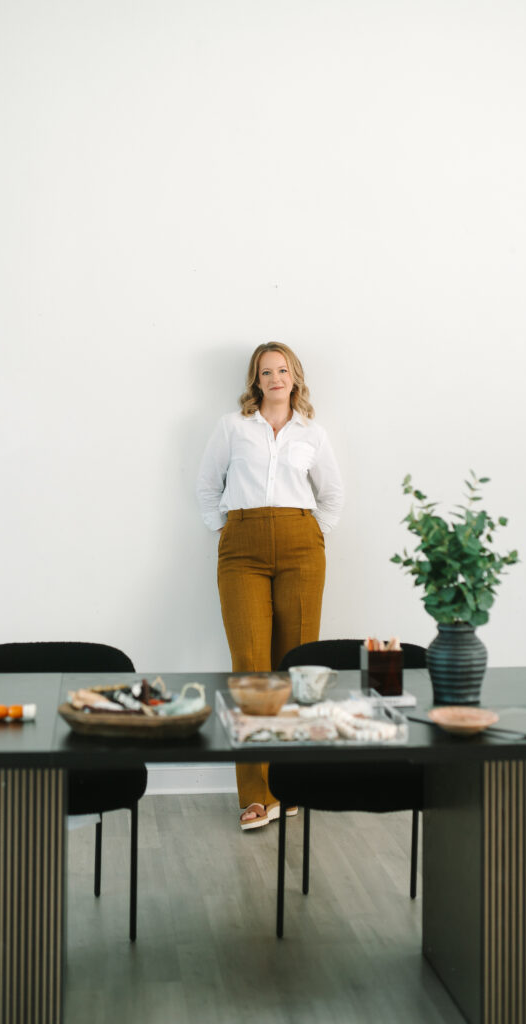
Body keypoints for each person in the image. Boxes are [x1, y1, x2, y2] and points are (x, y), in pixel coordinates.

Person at [197, 342, 344, 830]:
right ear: (255, 381)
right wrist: (226, 528)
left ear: (295, 377)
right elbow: (206, 486)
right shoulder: (232, 427)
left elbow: (332, 494)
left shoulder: (312, 434)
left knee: (297, 666)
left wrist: (312, 531)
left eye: (283, 370)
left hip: (302, 545)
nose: (275, 377)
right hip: (242, 547)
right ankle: (256, 794)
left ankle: (292, 783)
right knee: (252, 668)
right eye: (266, 371)